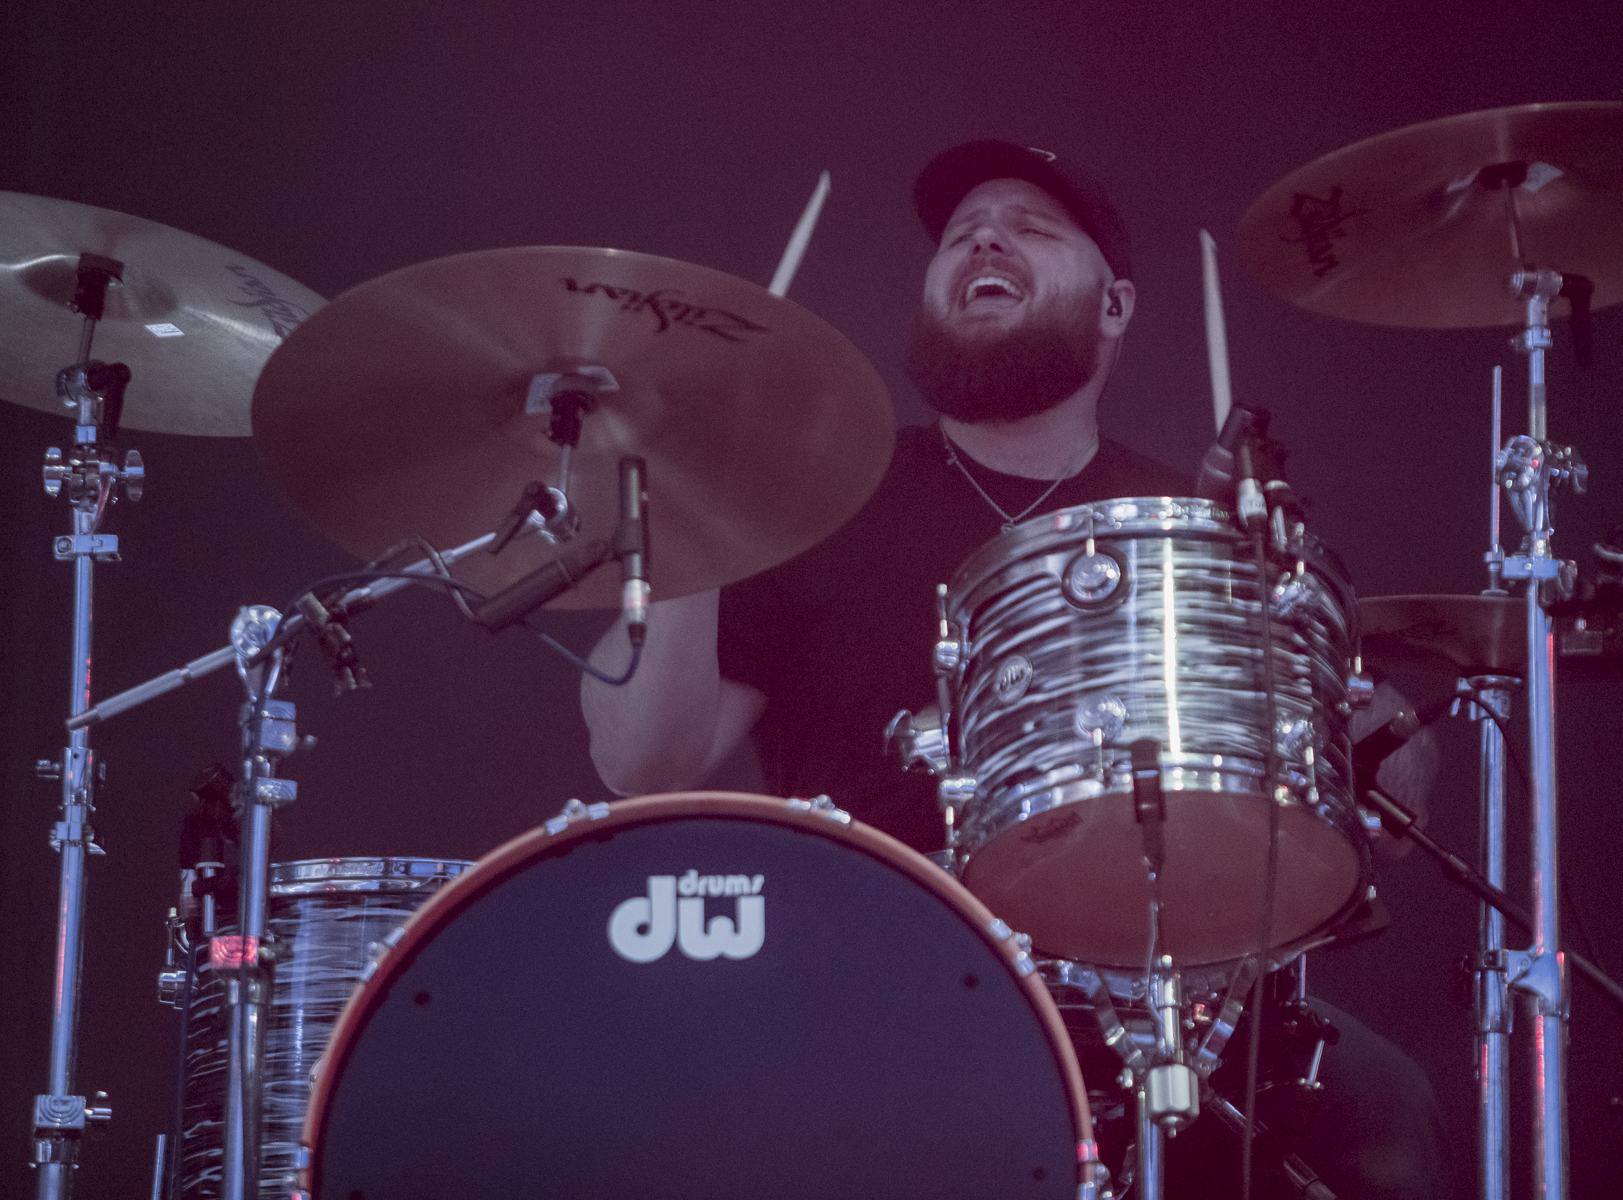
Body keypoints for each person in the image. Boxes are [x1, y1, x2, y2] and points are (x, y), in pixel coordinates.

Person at [582, 140, 1446, 1198]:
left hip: (1154, 988)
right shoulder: (817, 506)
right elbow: (641, 763)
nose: (985, 239)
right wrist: (690, 512)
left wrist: (1371, 732)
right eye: (962, 234)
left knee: (1383, 1114)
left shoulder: (1190, 530)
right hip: (866, 969)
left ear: (1115, 307)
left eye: (1031, 228)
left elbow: (1378, 775)